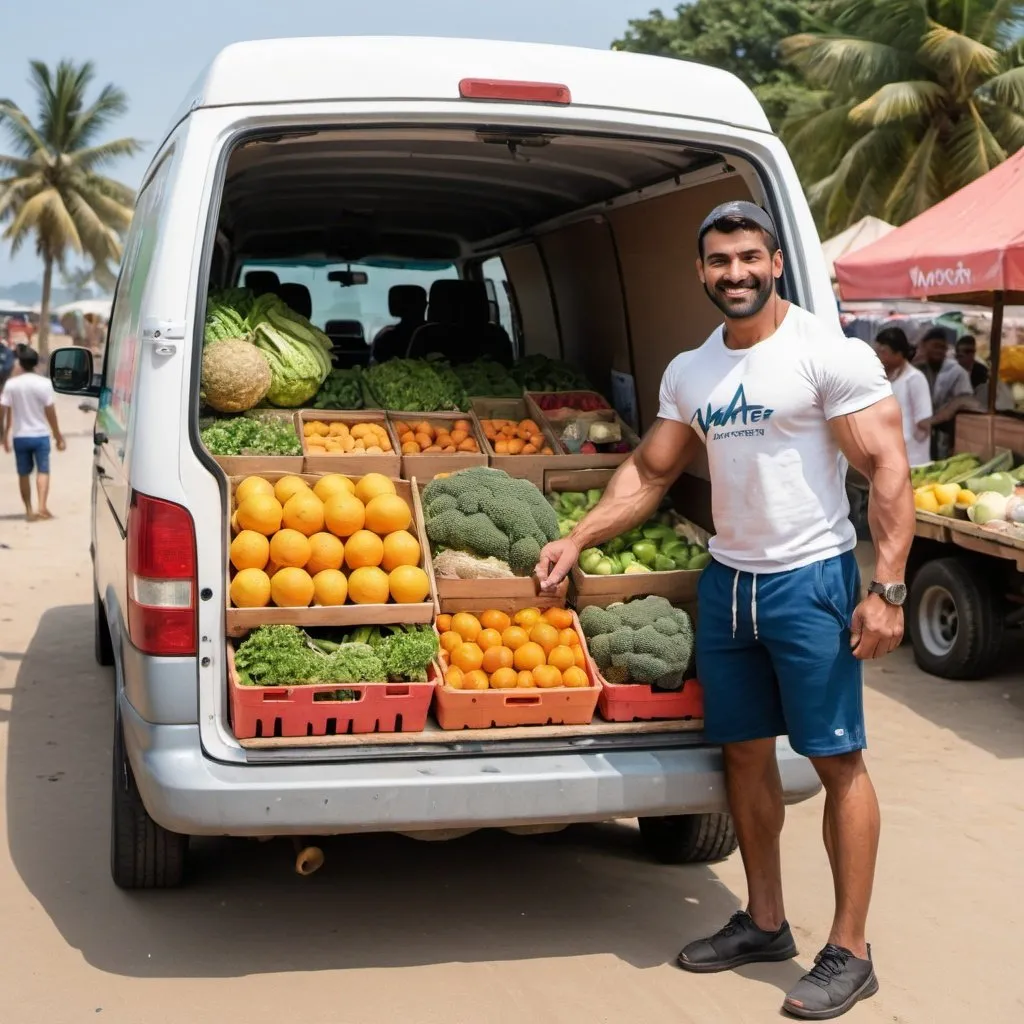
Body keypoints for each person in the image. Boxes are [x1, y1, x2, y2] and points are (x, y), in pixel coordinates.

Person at [536, 200, 914, 1021]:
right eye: (718, 261)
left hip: (809, 581)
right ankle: (766, 920)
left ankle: (850, 950)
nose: (734, 273)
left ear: (776, 261)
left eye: (749, 257)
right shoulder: (692, 370)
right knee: (741, 757)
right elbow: (650, 470)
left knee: (835, 759)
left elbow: (887, 466)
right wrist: (578, 536)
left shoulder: (825, 353)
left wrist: (886, 588)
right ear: (700, 272)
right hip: (728, 581)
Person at [0, 347, 66, 521]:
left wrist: (3, 434)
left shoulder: (11, 384)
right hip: (40, 435)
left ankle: (29, 510)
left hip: (20, 436)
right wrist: (58, 436)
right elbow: (50, 412)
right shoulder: (44, 384)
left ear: (20, 363)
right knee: (43, 470)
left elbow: (3, 410)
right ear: (36, 363)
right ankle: (42, 507)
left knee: (23, 473)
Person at [873, 327, 932, 466]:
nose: (878, 357)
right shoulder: (889, 377)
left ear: (899, 354)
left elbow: (924, 422)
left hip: (912, 458)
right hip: (890, 455)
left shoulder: (915, 378)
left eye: (883, 352)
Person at [917, 327, 973, 459]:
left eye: (942, 347)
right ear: (924, 346)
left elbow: (962, 400)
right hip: (921, 432)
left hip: (947, 433)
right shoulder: (918, 368)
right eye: (935, 346)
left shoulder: (957, 372)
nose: (939, 351)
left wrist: (933, 420)